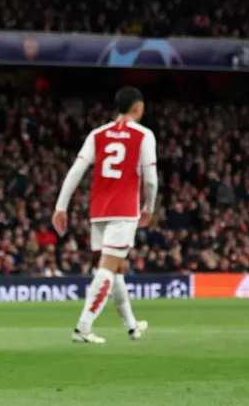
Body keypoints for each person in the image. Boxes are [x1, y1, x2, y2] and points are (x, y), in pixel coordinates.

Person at [53, 86, 156, 344]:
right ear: (138, 108)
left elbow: (77, 170)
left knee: (117, 267)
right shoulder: (143, 135)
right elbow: (151, 180)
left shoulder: (98, 134)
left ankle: (132, 326)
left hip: (99, 210)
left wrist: (61, 206)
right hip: (124, 211)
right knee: (108, 269)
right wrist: (149, 208)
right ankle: (83, 327)